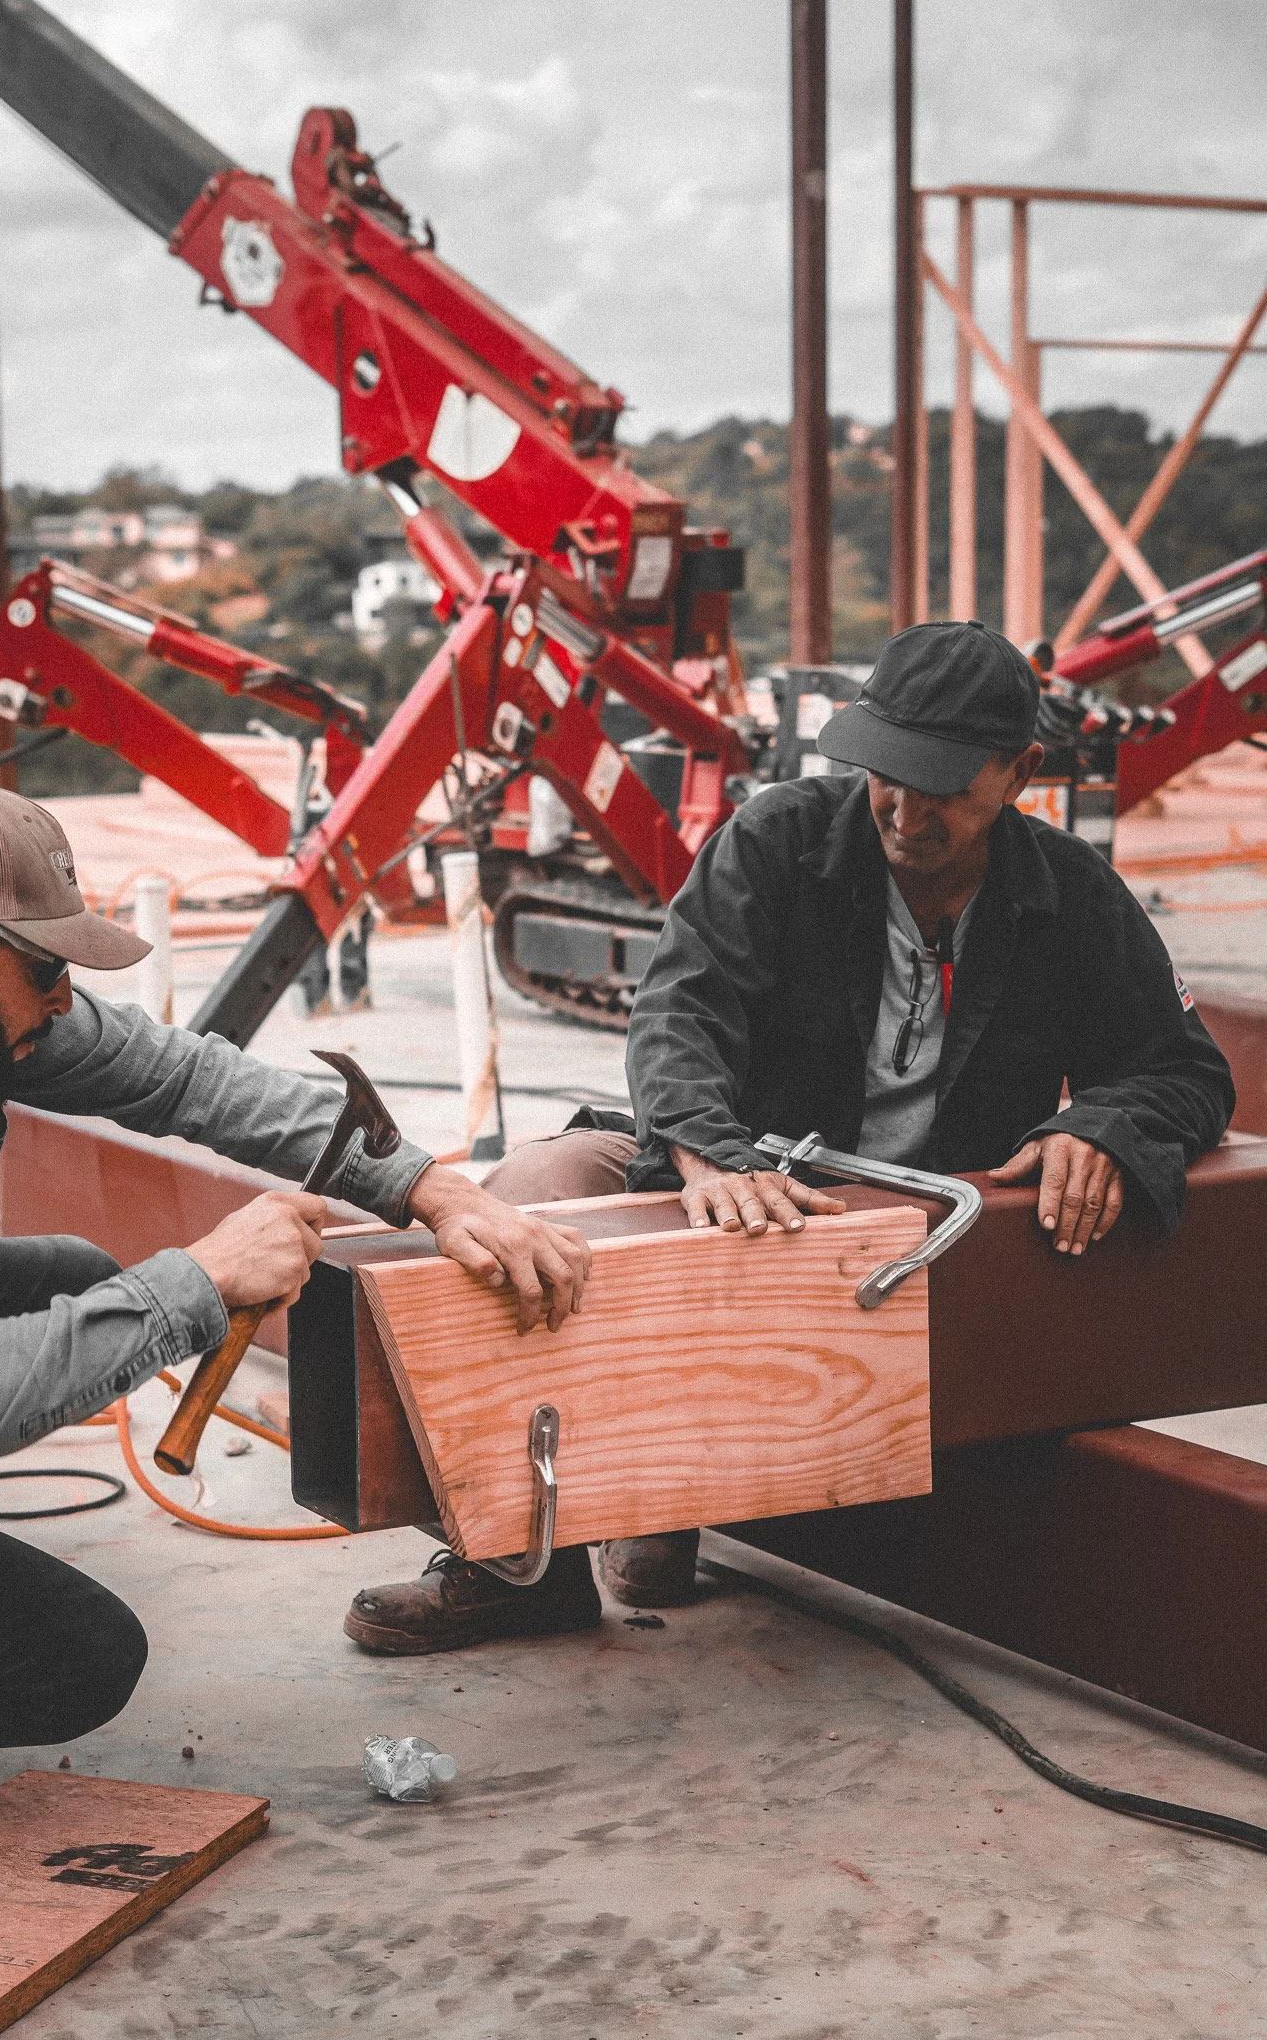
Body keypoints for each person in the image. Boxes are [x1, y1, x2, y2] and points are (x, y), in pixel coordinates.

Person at [0, 781, 590, 1857]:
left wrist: (426, 1187)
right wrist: (199, 1280)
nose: (63, 997)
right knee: (66, 1654)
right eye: (45, 969)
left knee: (73, 1281)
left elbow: (180, 1076)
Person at [343, 619, 1234, 1657]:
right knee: (533, 1186)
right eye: (884, 775)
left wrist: (1106, 1125)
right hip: (740, 1191)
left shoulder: (1069, 896)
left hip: (912, 1250)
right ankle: (521, 1566)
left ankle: (670, 1491)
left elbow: (1186, 1068)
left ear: (1021, 771)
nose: (902, 811)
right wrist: (711, 1151)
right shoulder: (775, 841)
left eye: (940, 784)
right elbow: (679, 1011)